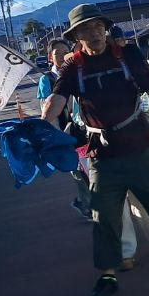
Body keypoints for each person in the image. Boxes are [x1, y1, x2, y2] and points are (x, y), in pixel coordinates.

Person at [42, 4, 149, 296]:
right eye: (86, 29)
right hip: (101, 154)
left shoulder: (127, 54)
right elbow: (58, 98)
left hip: (141, 145)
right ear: (76, 37)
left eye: (98, 26)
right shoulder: (73, 67)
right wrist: (43, 122)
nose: (94, 33)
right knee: (103, 214)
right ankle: (108, 275)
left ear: (106, 28)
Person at [108, 24, 149, 175]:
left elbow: (146, 69)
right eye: (114, 40)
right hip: (121, 100)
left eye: (119, 39)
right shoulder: (106, 56)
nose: (118, 43)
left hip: (140, 94)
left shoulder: (130, 51)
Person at [37, 38, 91, 219]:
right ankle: (87, 205)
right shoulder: (47, 79)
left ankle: (86, 202)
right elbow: (46, 108)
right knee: (78, 170)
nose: (61, 57)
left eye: (65, 53)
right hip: (65, 133)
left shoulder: (78, 72)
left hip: (85, 130)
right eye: (56, 54)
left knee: (89, 168)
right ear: (50, 57)